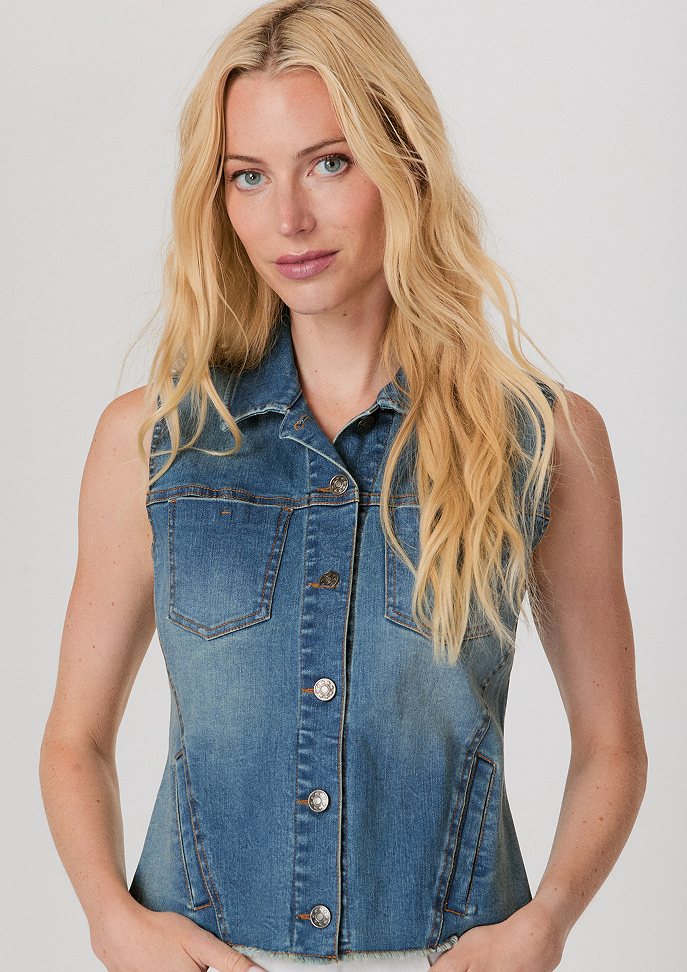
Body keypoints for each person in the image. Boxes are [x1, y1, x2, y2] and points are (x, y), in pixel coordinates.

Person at [39, 1, 647, 970]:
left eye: (329, 162)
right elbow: (75, 738)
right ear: (220, 197)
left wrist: (549, 921)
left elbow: (611, 744)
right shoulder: (151, 441)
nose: (289, 219)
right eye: (249, 176)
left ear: (403, 163)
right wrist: (112, 917)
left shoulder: (546, 438)